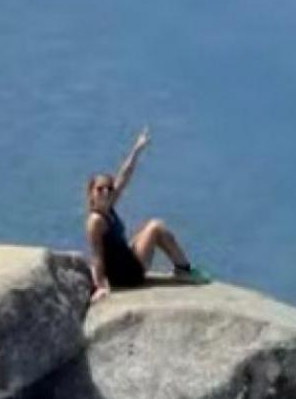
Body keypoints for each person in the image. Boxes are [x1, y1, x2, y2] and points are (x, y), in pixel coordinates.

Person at [86, 128, 210, 305]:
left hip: (124, 260)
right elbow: (97, 255)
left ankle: (182, 268)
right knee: (156, 226)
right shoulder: (96, 221)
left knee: (147, 228)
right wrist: (100, 287)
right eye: (100, 189)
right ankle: (183, 269)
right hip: (126, 274)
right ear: (91, 194)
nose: (106, 192)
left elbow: (123, 176)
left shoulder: (108, 207)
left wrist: (137, 149)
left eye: (108, 188)